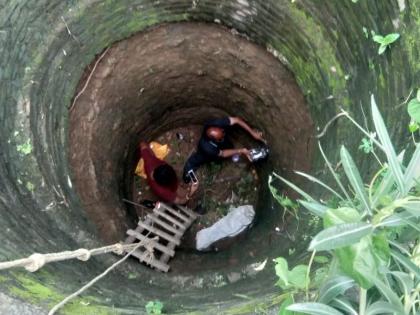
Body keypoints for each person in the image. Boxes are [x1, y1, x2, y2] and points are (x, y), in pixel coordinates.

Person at [183, 116, 265, 183]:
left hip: (220, 144)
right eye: (220, 137)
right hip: (206, 152)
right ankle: (187, 171)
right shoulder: (207, 148)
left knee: (228, 144)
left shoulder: (217, 124)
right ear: (214, 139)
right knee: (202, 158)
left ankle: (227, 147)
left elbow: (237, 120)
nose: (223, 133)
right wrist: (241, 151)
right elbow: (223, 153)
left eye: (222, 132)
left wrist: (252, 133)